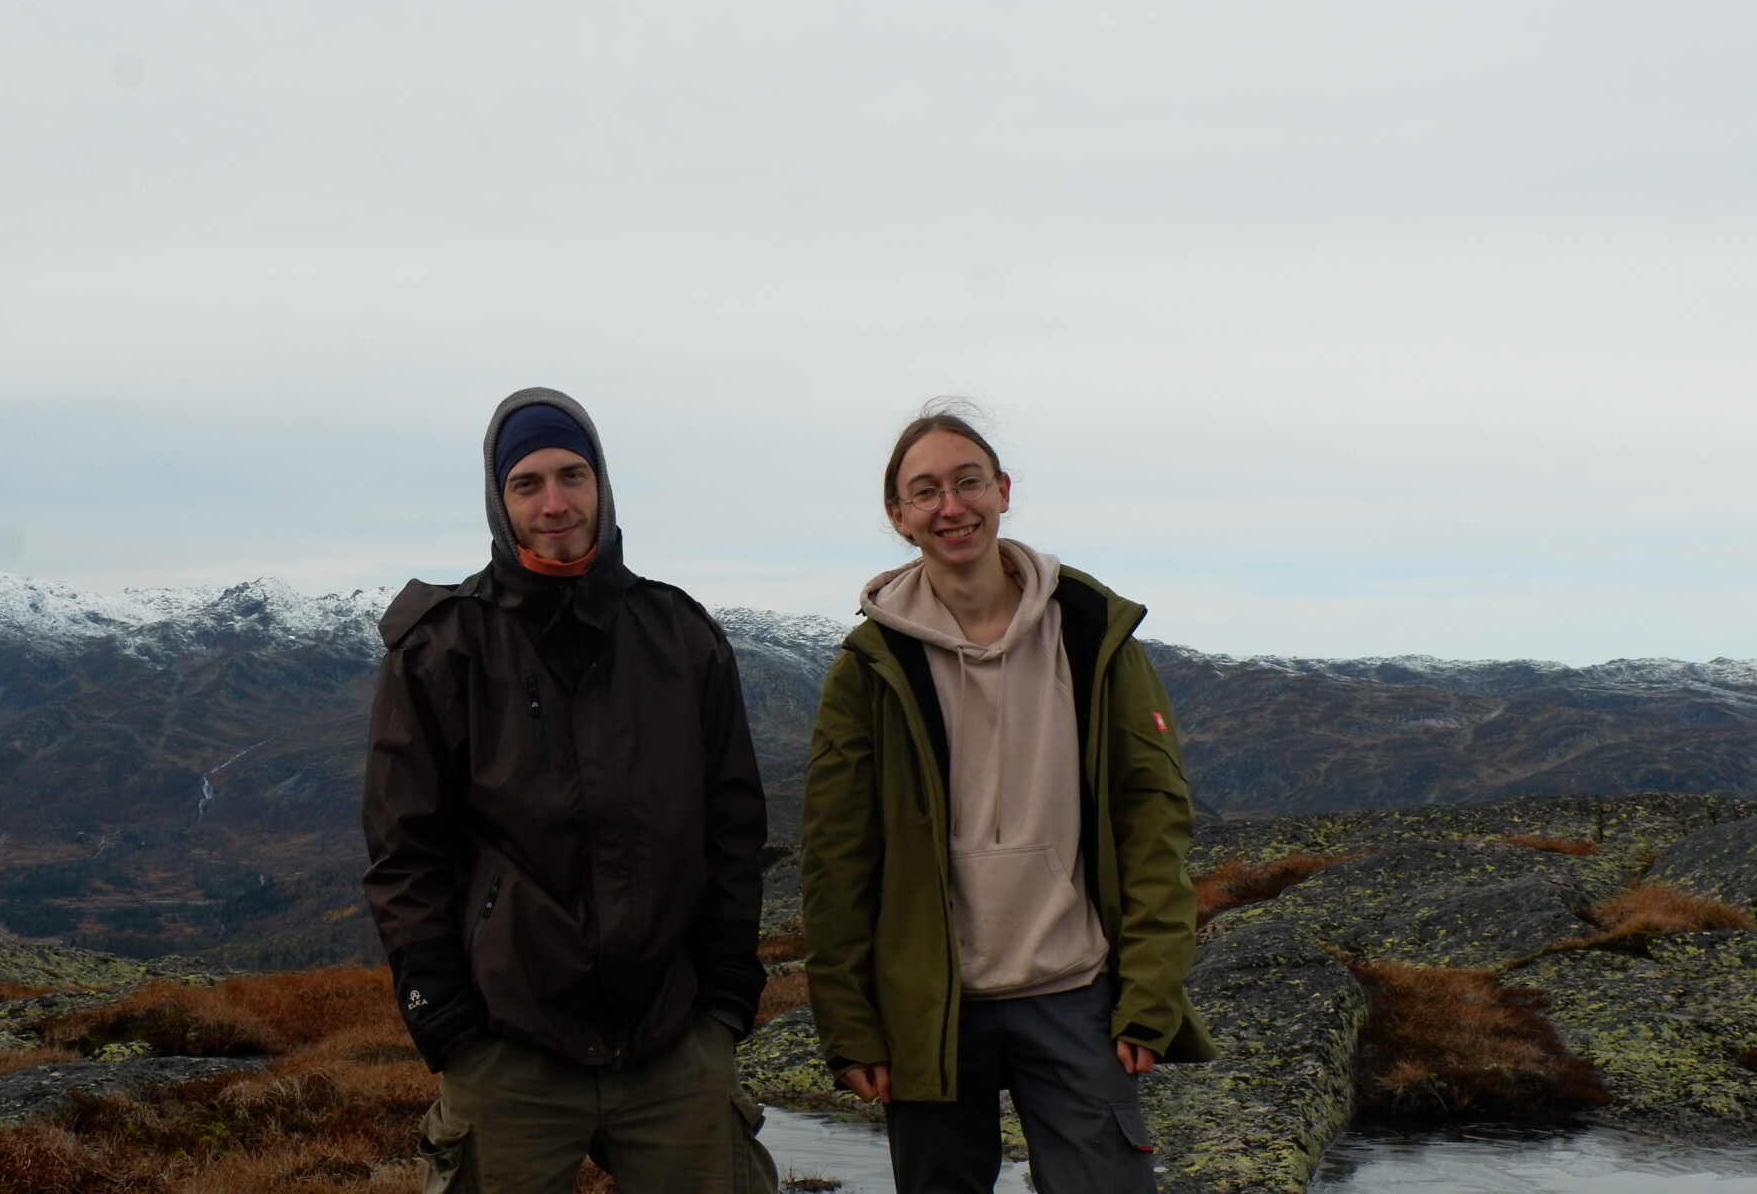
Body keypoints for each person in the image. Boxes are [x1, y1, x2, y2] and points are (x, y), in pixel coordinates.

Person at [363, 387, 778, 1194]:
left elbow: (733, 829)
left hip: (675, 1040)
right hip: (506, 1049)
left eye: (572, 476)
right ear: (499, 500)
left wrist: (727, 1001)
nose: (555, 503)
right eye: (528, 484)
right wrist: (445, 1023)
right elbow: (403, 853)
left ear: (602, 485)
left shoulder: (681, 636)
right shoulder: (442, 649)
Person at [799, 401, 1215, 1193]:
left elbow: (1154, 820)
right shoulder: (871, 664)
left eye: (969, 482)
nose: (951, 506)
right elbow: (837, 858)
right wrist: (851, 1029)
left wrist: (1150, 990)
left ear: (1003, 491)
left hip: (1076, 993)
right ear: (899, 517)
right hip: (930, 1008)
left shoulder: (1091, 631)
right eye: (926, 492)